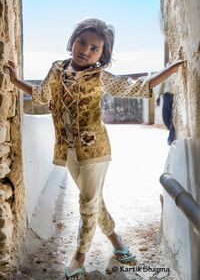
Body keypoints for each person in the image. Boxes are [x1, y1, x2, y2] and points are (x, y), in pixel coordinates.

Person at [5, 18, 185, 280]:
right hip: (67, 150)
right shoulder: (56, 70)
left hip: (95, 150)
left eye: (95, 48)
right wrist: (14, 79)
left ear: (102, 55)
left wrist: (170, 69)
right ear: (73, 40)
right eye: (82, 42)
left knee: (86, 202)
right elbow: (41, 95)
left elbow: (135, 87)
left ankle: (78, 256)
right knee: (94, 200)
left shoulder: (100, 77)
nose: (86, 50)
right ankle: (117, 240)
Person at [156, 74, 175, 145]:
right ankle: (172, 132)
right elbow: (162, 85)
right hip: (166, 96)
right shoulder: (167, 70)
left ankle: (170, 138)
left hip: (175, 95)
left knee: (173, 118)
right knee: (165, 117)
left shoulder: (179, 68)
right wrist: (158, 97)